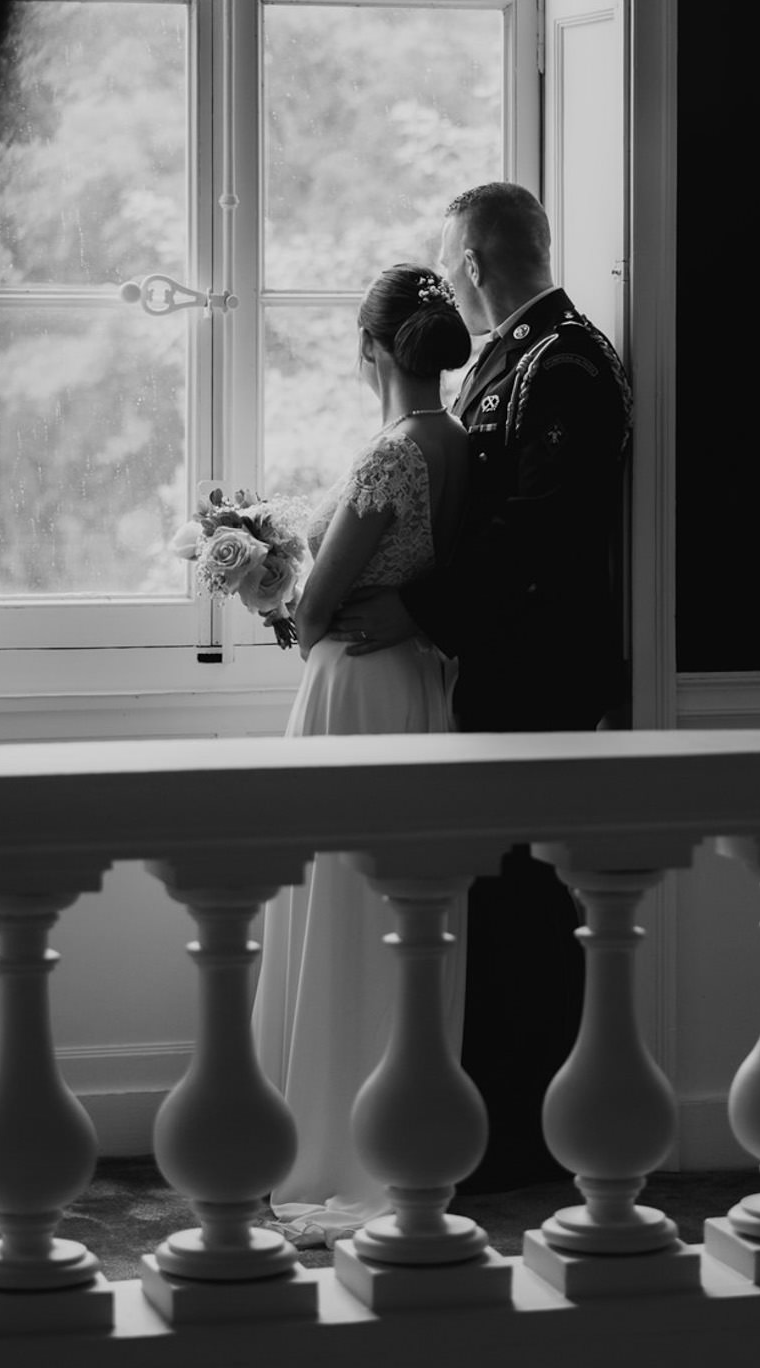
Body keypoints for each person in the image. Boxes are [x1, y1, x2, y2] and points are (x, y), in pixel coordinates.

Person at [331, 183, 633, 1191]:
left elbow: (539, 527)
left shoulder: (568, 362)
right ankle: (490, 1116)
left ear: (471, 263)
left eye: (448, 264)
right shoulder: (515, 357)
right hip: (497, 664)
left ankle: (533, 1135)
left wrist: (418, 611)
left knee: (529, 903)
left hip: (543, 672)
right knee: (496, 899)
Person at [251, 263, 473, 1248]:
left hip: (353, 691)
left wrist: (267, 585)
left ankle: (330, 1147)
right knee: (401, 912)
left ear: (369, 348)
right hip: (419, 683)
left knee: (341, 904)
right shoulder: (458, 440)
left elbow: (311, 613)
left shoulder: (391, 453)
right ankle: (402, 1137)